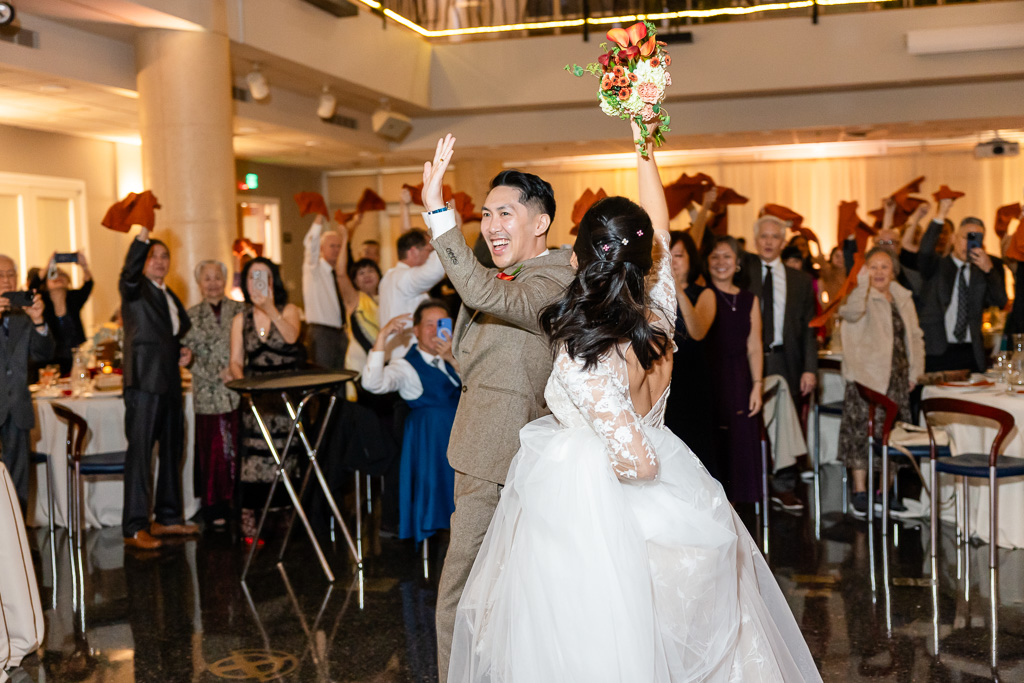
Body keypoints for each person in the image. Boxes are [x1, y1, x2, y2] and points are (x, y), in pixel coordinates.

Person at [449, 124, 820, 682]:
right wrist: (645, 146)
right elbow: (662, 232)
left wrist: (577, 460)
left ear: (576, 262)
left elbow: (636, 462)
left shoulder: (583, 353)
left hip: (594, 521)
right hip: (673, 489)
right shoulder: (659, 315)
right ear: (648, 261)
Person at [418, 136, 576, 681]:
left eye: (505, 213)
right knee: (494, 593)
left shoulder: (556, 277)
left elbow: (494, 300)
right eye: (484, 215)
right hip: (483, 445)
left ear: (541, 222)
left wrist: (439, 211)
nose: (490, 226)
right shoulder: (501, 273)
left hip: (503, 453)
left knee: (461, 592)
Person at [119, 229, 195, 550]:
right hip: (144, 382)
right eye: (153, 256)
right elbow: (128, 272)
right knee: (140, 453)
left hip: (170, 381)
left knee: (172, 450)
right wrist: (141, 239)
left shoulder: (168, 293)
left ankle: (167, 518)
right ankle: (135, 526)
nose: (160, 261)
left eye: (164, 256)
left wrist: (183, 351)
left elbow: (172, 332)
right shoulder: (135, 289)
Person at [361, 301, 460, 544]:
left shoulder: (453, 358)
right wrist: (383, 337)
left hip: (459, 441)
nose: (436, 330)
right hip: (432, 445)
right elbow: (373, 384)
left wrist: (451, 358)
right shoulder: (406, 366)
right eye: (429, 325)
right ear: (415, 330)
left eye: (442, 324)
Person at [836, 248, 924, 517]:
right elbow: (849, 314)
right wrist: (860, 282)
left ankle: (884, 493)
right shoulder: (858, 295)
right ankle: (860, 492)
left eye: (884, 267)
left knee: (894, 436)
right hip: (865, 377)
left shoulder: (902, 297)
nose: (879, 272)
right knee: (861, 434)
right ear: (864, 270)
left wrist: (915, 372)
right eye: (872, 267)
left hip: (897, 377)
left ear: (893, 271)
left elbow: (915, 336)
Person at [741, 215, 817, 511]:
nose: (769, 242)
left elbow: (810, 329)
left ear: (784, 242)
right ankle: (753, 486)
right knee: (751, 422)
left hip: (788, 360)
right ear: (755, 240)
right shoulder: (743, 272)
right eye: (764, 236)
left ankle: (784, 486)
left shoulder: (800, 280)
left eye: (775, 237)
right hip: (749, 361)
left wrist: (810, 367)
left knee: (786, 421)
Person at [229, 257, 305, 539]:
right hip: (256, 398)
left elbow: (291, 338)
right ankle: (251, 520)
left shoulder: (290, 310)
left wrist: (271, 309)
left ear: (273, 281)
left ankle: (286, 518)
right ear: (245, 283)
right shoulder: (240, 319)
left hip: (285, 398)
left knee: (286, 459)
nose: (257, 282)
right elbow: (236, 360)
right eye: (252, 277)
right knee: (255, 462)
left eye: (264, 277)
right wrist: (243, 383)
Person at [182, 260, 243, 528]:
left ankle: (240, 501)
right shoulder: (190, 315)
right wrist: (218, 372)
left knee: (238, 446)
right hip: (207, 390)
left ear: (225, 280)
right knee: (214, 450)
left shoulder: (240, 310)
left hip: (237, 388)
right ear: (199, 283)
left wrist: (235, 370)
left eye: (217, 277)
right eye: (207, 278)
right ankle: (213, 504)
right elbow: (186, 355)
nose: (213, 283)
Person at [705, 236, 764, 503]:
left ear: (738, 263)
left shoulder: (750, 299)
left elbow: (754, 346)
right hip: (709, 376)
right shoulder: (702, 295)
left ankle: (741, 508)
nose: (721, 263)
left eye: (727, 257)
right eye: (715, 256)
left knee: (740, 441)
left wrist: (758, 385)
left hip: (740, 377)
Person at [917, 199, 1006, 373]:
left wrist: (989, 271)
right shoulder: (937, 266)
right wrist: (941, 214)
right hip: (938, 350)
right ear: (953, 238)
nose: (970, 244)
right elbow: (926, 251)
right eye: (967, 237)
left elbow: (1000, 300)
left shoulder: (983, 270)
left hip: (970, 351)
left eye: (977, 238)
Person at [0, 255, 54, 510]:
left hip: (18, 411)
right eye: (0, 275)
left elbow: (44, 355)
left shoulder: (23, 316)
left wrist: (39, 321)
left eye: (11, 275)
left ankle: (18, 545)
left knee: (17, 486)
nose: (6, 281)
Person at [662, 230, 717, 474]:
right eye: (667, 255)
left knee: (696, 449)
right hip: (662, 380)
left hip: (694, 379)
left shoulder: (704, 293)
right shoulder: (654, 294)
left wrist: (678, 290)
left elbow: (698, 331)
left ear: (691, 259)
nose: (672, 261)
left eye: (679, 255)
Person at [378, 228, 445, 360]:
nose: (430, 255)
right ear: (413, 251)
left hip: (400, 355)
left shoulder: (391, 276)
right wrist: (446, 233)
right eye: (429, 251)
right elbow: (435, 271)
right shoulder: (401, 278)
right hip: (405, 358)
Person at [333, 220, 381, 376]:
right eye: (361, 273)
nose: (366, 275)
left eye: (370, 271)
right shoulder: (354, 298)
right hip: (358, 362)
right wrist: (345, 237)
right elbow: (340, 273)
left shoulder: (387, 296)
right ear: (354, 281)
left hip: (383, 358)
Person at [302, 215, 347, 369]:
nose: (336, 250)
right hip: (322, 333)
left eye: (338, 246)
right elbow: (310, 247)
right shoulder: (314, 269)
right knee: (324, 378)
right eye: (332, 246)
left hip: (340, 333)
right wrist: (318, 220)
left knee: (341, 379)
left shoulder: (338, 273)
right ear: (322, 249)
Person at [39, 252, 92, 375]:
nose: (59, 277)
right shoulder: (42, 300)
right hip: (49, 357)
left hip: (74, 355)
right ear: (46, 283)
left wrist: (84, 266)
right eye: (53, 275)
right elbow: (33, 285)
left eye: (63, 275)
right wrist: (48, 266)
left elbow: (88, 285)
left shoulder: (73, 298)